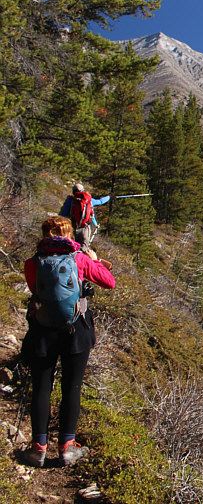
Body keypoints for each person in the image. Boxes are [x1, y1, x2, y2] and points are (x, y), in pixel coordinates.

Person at [18, 215, 115, 468]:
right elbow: (109, 282)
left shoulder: (33, 263)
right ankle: (67, 447)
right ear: (69, 234)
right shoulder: (80, 259)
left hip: (42, 329)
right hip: (75, 331)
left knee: (41, 387)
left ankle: (37, 448)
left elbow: (35, 291)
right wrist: (94, 262)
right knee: (71, 387)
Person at [59, 183, 111, 248]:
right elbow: (100, 202)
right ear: (82, 190)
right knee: (84, 248)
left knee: (72, 247)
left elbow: (62, 215)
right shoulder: (89, 200)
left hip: (73, 227)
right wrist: (109, 197)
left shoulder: (70, 201)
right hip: (85, 228)